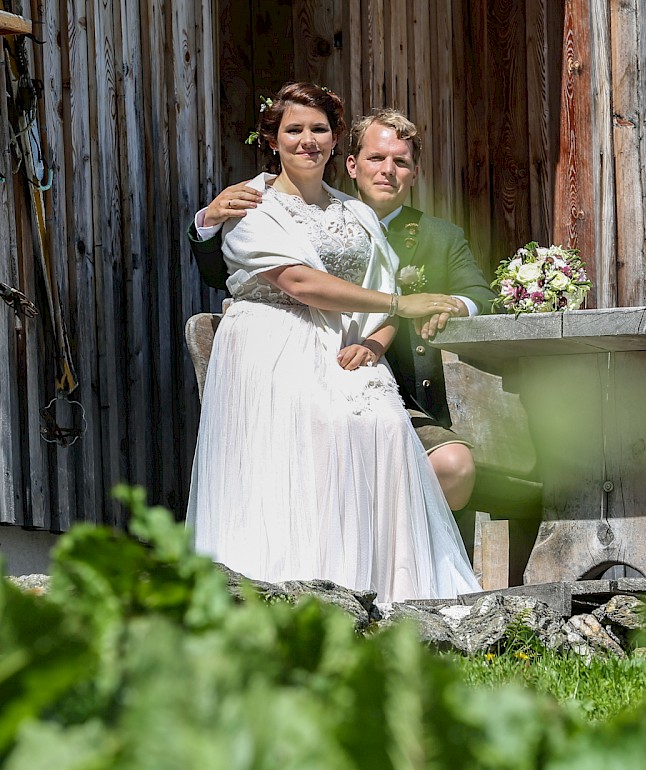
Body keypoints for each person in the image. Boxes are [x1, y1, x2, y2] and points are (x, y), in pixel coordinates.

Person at [185, 82, 480, 602]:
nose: (306, 140)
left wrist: (379, 338)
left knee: (385, 426)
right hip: (272, 349)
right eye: (293, 130)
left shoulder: (355, 212)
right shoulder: (249, 205)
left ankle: (386, 590)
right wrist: (397, 308)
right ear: (271, 139)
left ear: (335, 140)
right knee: (324, 427)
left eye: (318, 129)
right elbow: (298, 282)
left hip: (342, 348)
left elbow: (387, 287)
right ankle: (295, 587)